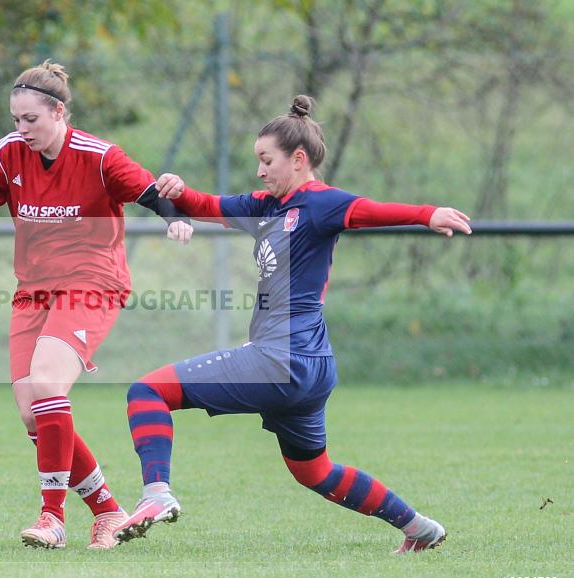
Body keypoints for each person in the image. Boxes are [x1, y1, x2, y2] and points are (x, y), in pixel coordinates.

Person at [113, 95, 471, 554]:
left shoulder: (320, 204)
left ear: (298, 160)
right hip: (310, 365)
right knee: (314, 472)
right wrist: (176, 191)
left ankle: (156, 495)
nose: (260, 171)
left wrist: (426, 214)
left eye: (267, 161)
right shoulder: (265, 206)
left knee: (147, 392)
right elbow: (205, 204)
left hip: (281, 358)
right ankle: (420, 527)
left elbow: (368, 210)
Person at [0, 60, 191, 549]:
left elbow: (150, 192)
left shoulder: (99, 155)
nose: (21, 129)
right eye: (15, 119)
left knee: (47, 384)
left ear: (58, 111)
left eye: (31, 120)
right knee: (33, 412)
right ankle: (108, 510)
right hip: (33, 292)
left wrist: (175, 219)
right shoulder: (7, 154)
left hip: (92, 284)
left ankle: (52, 516)